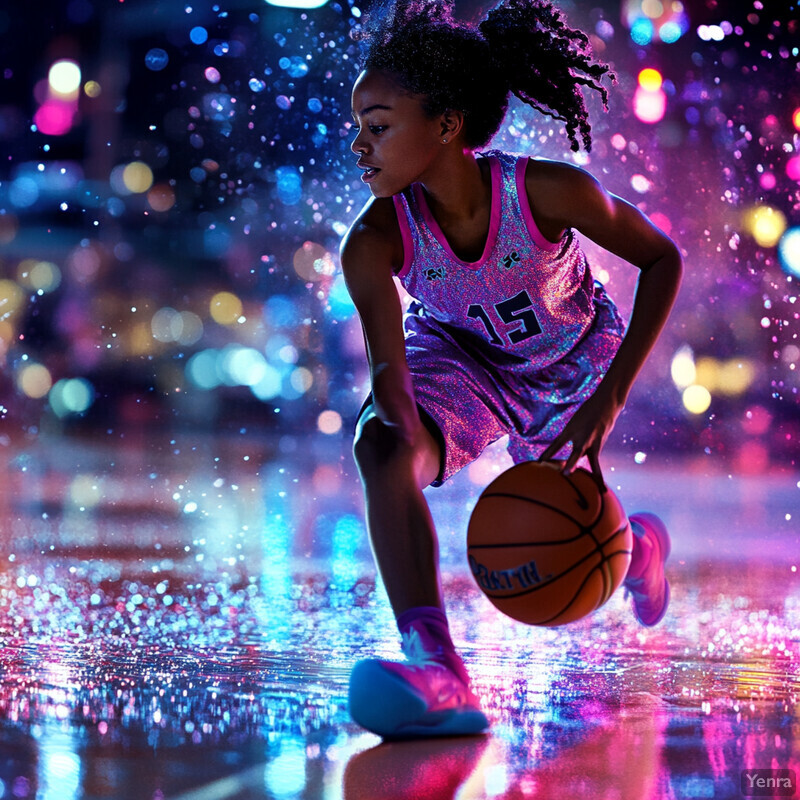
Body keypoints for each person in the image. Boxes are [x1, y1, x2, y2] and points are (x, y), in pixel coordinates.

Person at [339, 0, 683, 739]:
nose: (359, 145)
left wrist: (610, 398)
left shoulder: (548, 192)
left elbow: (662, 259)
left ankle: (639, 547)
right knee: (378, 444)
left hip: (570, 363)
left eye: (378, 124)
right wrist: (397, 439)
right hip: (459, 361)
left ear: (447, 125)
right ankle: (436, 666)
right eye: (358, 127)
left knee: (574, 544)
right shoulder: (372, 240)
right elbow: (388, 370)